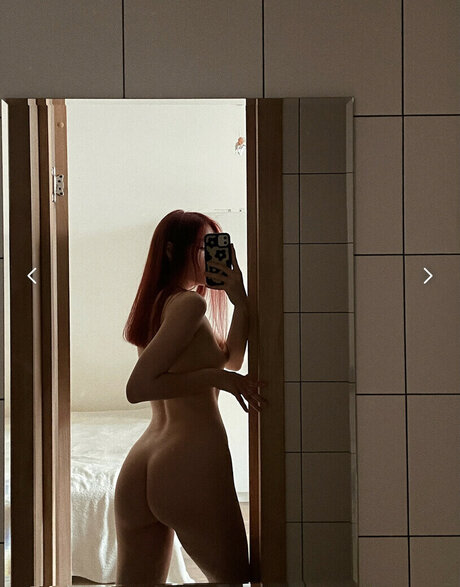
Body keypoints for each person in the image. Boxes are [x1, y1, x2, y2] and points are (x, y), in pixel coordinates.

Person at [114, 210, 268, 584]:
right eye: (203, 247)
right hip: (189, 458)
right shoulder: (189, 305)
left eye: (215, 244)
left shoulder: (163, 302)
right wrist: (216, 379)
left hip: (144, 460)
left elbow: (231, 359)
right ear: (171, 251)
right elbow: (139, 387)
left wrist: (240, 302)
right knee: (232, 578)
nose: (212, 255)